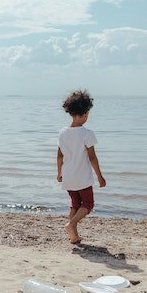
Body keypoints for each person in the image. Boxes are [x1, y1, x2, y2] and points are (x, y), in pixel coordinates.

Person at [56, 90, 106, 244]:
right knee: (88, 204)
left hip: (68, 175)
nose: (87, 116)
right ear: (83, 114)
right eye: (87, 113)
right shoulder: (87, 133)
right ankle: (71, 224)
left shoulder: (62, 133)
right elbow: (92, 157)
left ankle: (73, 235)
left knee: (75, 204)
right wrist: (100, 176)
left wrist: (59, 173)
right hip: (82, 177)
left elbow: (59, 155)